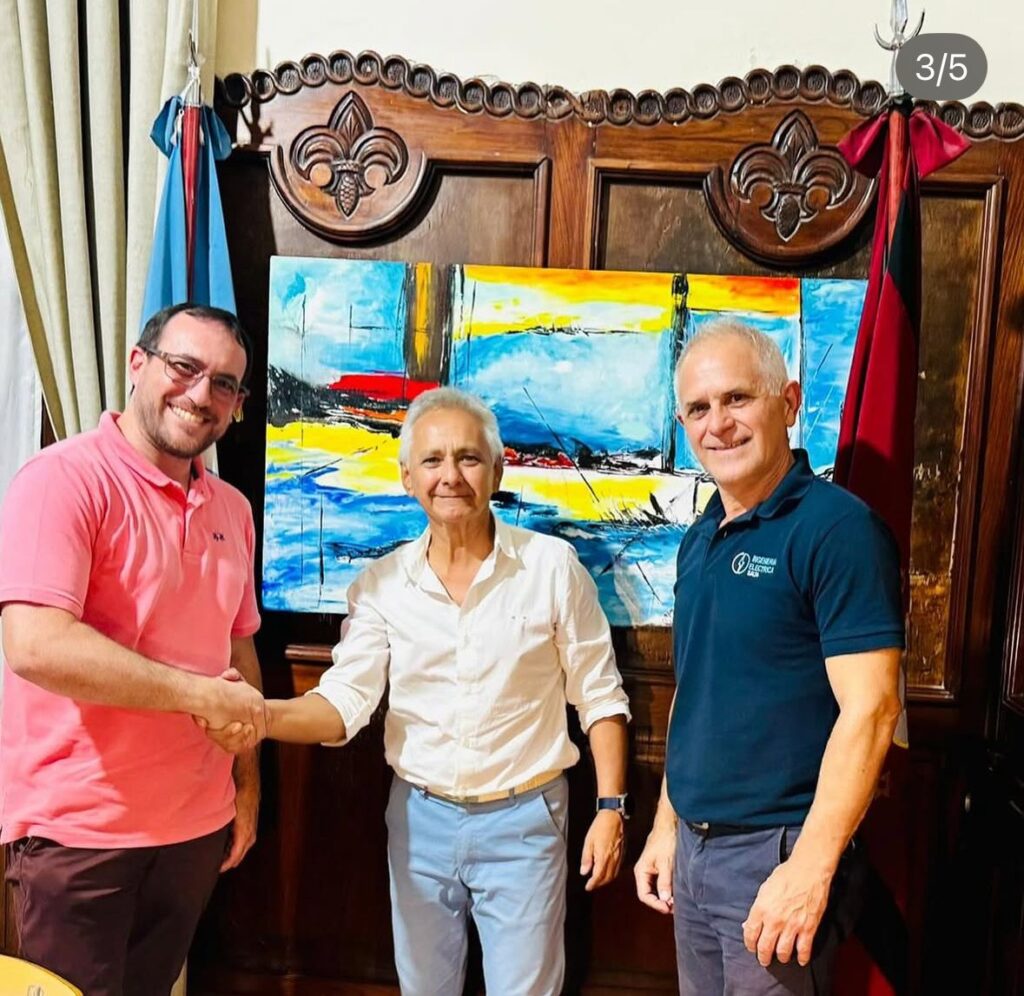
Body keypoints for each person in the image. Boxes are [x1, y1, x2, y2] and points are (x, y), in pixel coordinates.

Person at [207, 386, 631, 996]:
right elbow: (343, 705)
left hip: (526, 819)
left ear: (497, 469)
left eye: (468, 457)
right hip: (419, 818)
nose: (450, 476)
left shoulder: (552, 567)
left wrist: (611, 809)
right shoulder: (382, 585)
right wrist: (259, 714)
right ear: (408, 477)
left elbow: (601, 696)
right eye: (432, 460)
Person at [0, 303, 268, 996]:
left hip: (194, 829)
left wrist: (246, 784)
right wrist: (195, 694)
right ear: (137, 364)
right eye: (185, 367)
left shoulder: (233, 510)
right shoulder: (62, 479)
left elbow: (238, 650)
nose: (201, 395)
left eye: (225, 384)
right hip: (78, 833)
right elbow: (34, 645)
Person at [633, 319, 904, 995]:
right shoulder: (699, 539)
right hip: (694, 853)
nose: (718, 424)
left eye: (737, 398)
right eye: (699, 408)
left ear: (788, 402)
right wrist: (666, 825)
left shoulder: (838, 529)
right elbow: (696, 692)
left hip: (776, 856)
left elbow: (872, 709)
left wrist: (810, 868)